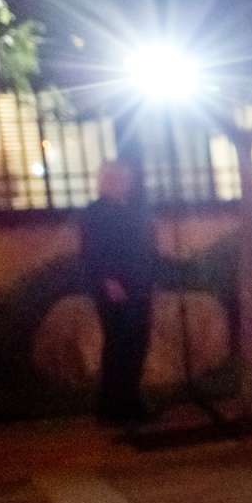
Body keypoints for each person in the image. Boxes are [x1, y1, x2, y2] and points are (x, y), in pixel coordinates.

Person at [78, 156, 158, 424]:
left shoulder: (133, 210)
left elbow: (144, 246)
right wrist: (108, 280)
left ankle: (127, 398)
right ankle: (116, 404)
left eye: (127, 178)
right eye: (118, 178)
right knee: (119, 343)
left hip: (139, 282)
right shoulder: (96, 212)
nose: (124, 183)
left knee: (137, 342)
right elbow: (94, 251)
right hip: (115, 286)